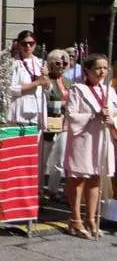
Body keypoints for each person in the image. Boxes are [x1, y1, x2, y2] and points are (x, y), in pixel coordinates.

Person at [64, 54, 117, 239]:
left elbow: (115, 113)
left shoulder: (109, 91)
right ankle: (75, 218)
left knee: (95, 177)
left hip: (102, 139)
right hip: (83, 139)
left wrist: (112, 120)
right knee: (79, 178)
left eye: (105, 68)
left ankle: (92, 218)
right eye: (98, 68)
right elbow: (71, 115)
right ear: (87, 70)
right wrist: (93, 116)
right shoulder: (77, 89)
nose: (102, 72)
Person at [43, 49, 71, 198]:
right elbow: (48, 98)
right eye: (58, 62)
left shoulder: (68, 81)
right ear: (51, 63)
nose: (61, 66)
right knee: (45, 158)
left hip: (65, 122)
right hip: (50, 120)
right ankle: (40, 189)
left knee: (59, 160)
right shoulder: (46, 80)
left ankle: (53, 190)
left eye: (65, 63)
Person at [9, 30, 49, 127]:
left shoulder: (40, 62)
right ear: (18, 44)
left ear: (35, 44)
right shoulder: (13, 63)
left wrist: (46, 77)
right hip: (21, 112)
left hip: (38, 111)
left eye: (31, 43)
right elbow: (11, 89)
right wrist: (36, 83)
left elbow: (47, 88)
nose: (28, 46)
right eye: (24, 44)